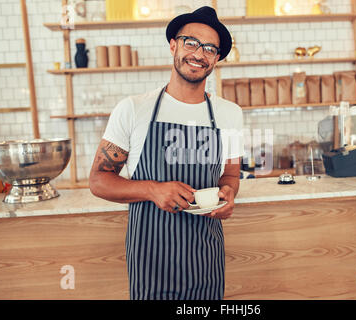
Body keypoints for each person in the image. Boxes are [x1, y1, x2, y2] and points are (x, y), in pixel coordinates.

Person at [89, 6, 244, 300]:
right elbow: (98, 180)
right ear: (173, 45)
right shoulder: (133, 109)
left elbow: (231, 174)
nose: (199, 54)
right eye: (191, 42)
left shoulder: (230, 114)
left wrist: (229, 193)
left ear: (217, 59)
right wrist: (152, 190)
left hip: (204, 257)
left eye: (210, 48)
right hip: (150, 259)